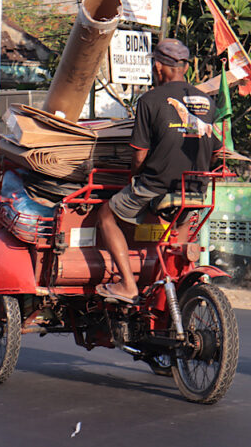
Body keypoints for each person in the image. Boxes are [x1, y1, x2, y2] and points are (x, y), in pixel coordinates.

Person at [95, 38, 218, 303]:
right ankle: (168, 286)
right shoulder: (208, 102)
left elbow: (138, 155)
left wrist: (134, 179)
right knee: (180, 232)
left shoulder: (150, 100)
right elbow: (216, 147)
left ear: (160, 67)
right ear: (184, 67)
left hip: (156, 185)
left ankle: (128, 285)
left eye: (155, 65)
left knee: (106, 214)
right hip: (196, 188)